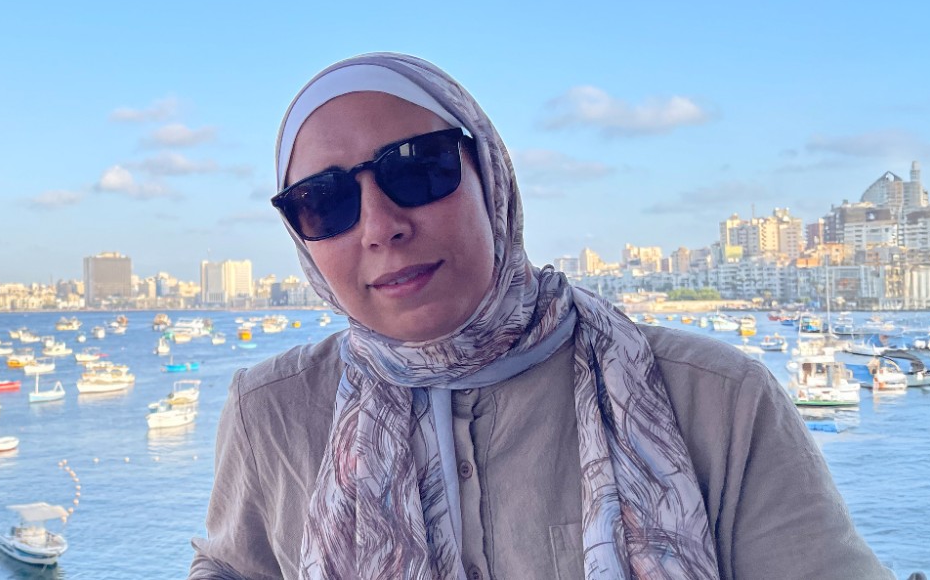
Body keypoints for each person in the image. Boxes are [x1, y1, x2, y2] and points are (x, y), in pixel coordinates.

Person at [189, 52, 894, 579]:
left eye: (418, 169)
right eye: (324, 202)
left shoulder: (716, 401)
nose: (380, 226)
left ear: (490, 176)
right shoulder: (270, 413)